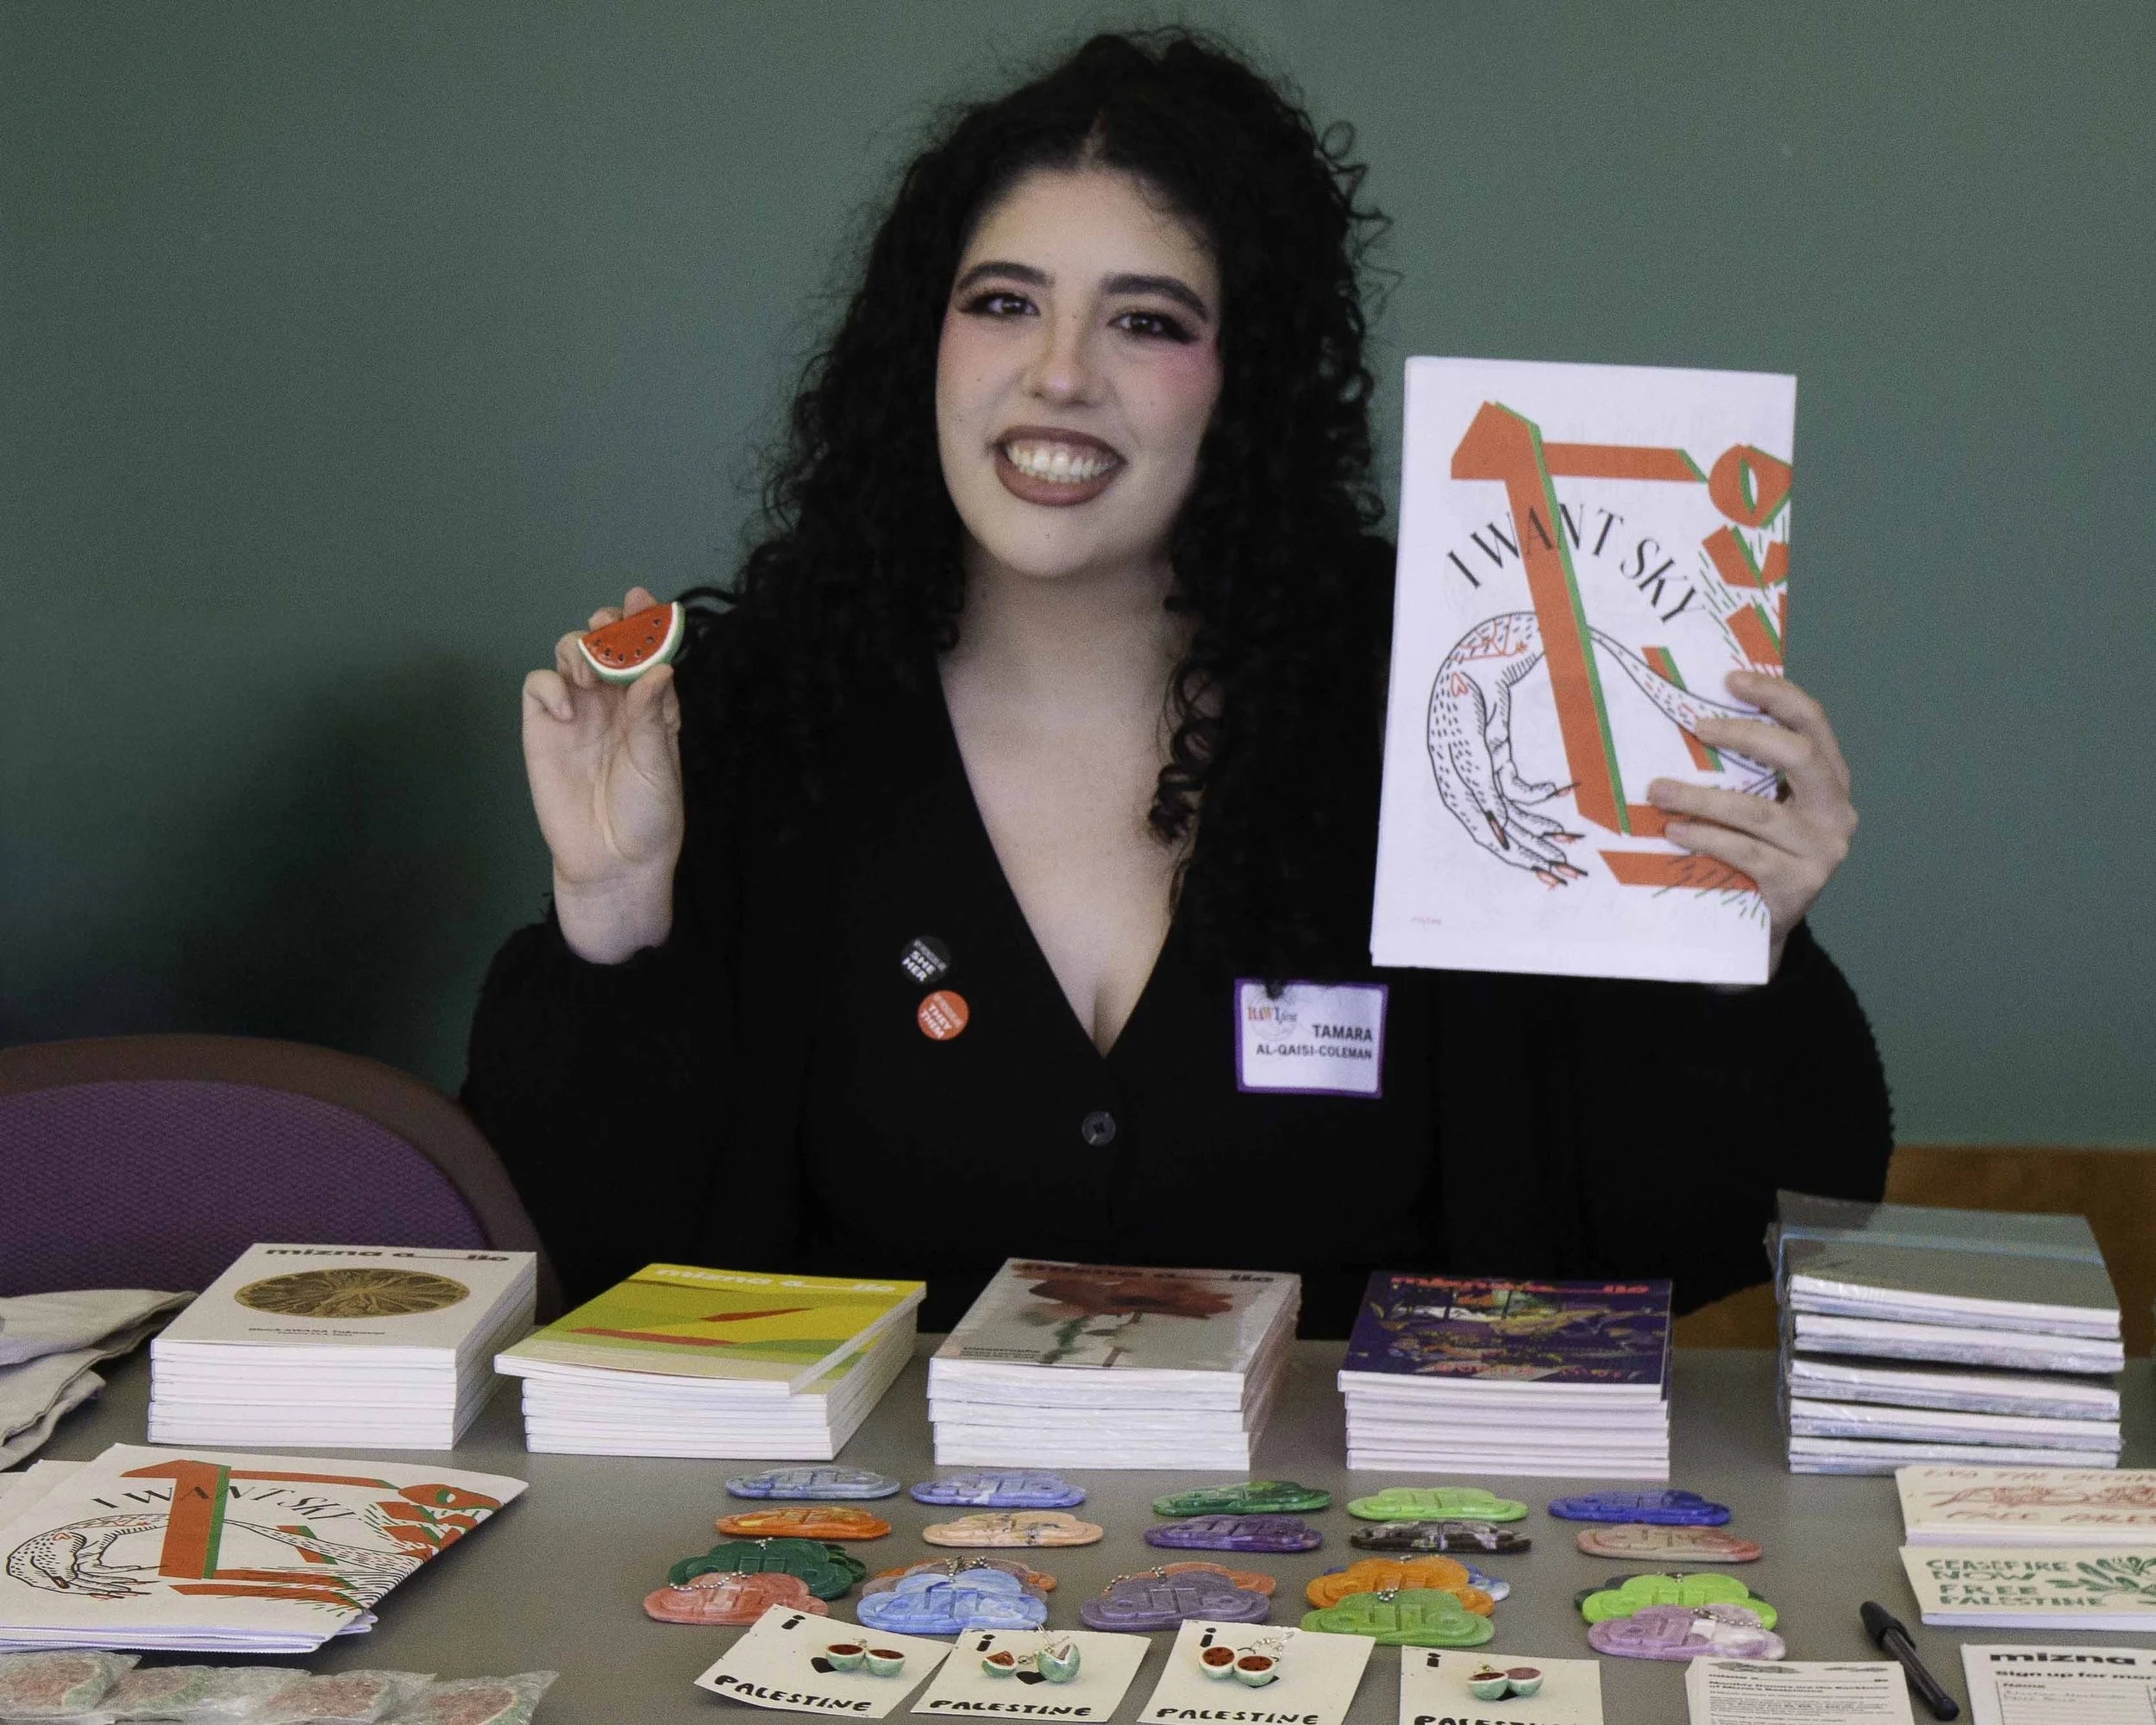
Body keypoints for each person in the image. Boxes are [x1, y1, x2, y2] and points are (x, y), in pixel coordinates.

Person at [463, 30, 1890, 1334]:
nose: (1061, 373)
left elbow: (1707, 1236)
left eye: (1146, 321)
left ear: (1248, 380)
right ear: (925, 350)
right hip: (861, 1576)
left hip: (1364, 1583)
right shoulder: (760, 714)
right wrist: (609, 913)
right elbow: (579, 1254)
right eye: (1005, 302)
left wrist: (1738, 950)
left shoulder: (1454, 706)